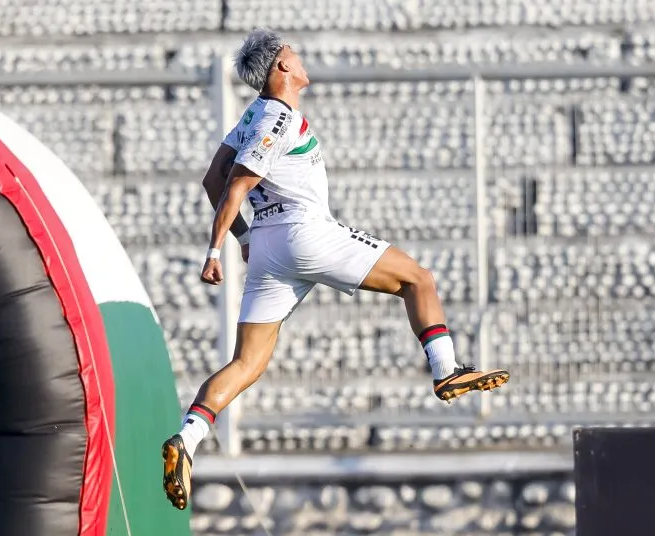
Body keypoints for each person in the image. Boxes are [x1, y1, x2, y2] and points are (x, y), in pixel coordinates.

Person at [162, 29, 510, 510]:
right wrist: (215, 252)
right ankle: (446, 371)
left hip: (268, 246)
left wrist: (244, 240)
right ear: (282, 67)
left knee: (248, 363)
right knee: (419, 279)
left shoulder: (252, 115)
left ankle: (187, 439)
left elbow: (210, 180)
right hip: (304, 233)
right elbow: (234, 187)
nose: (300, 57)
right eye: (292, 52)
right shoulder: (277, 118)